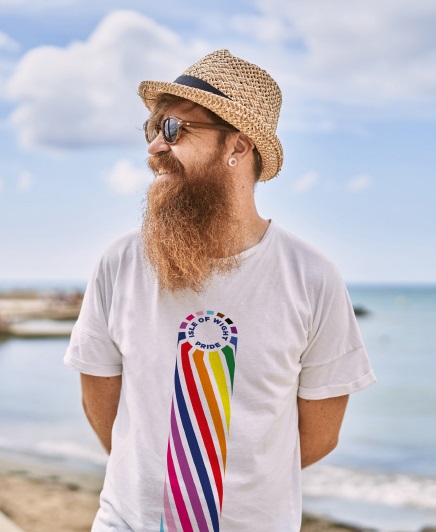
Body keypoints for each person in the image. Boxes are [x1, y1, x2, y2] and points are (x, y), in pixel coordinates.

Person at [64, 49, 376, 532]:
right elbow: (99, 401)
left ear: (238, 145)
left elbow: (318, 436)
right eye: (152, 129)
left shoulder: (312, 278)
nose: (154, 147)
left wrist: (238, 490)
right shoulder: (120, 263)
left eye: (174, 129)